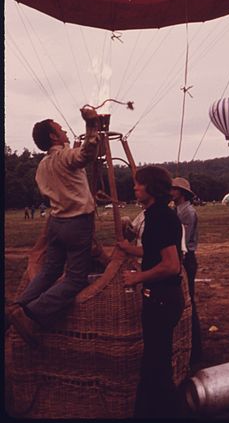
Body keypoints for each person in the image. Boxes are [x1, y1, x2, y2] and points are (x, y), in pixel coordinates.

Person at [7, 108, 100, 347]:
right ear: (53, 137)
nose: (64, 129)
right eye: (59, 128)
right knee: (76, 279)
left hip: (56, 224)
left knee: (49, 271)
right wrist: (92, 126)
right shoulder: (64, 156)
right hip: (77, 223)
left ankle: (17, 308)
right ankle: (30, 316)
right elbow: (87, 154)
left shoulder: (42, 166)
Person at [118, 166, 184, 419]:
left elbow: (170, 265)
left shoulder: (161, 218)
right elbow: (154, 251)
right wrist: (127, 248)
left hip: (162, 299)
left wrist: (137, 277)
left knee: (156, 364)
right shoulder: (154, 215)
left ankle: (163, 413)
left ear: (151, 187)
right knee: (155, 360)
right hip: (160, 298)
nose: (134, 187)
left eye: (139, 183)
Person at [171, 177, 202, 366]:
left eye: (173, 189)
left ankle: (195, 348)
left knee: (188, 300)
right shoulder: (177, 210)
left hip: (185, 258)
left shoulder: (187, 212)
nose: (170, 192)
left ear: (181, 193)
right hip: (181, 257)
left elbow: (182, 240)